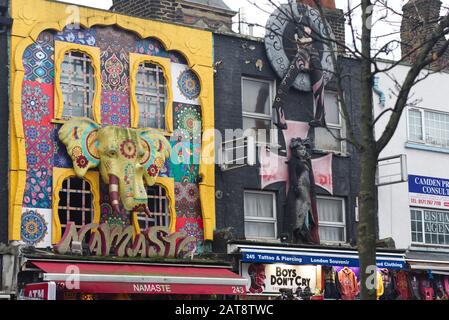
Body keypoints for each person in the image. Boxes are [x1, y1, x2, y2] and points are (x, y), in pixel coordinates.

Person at [272, 21, 326, 130]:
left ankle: (278, 105)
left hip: (307, 57)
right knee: (309, 57)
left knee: (310, 58)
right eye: (306, 35)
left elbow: (305, 41)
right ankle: (320, 114)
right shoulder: (300, 34)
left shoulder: (308, 45)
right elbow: (300, 41)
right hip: (305, 56)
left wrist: (306, 40)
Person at [285, 137, 320, 244]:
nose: (303, 151)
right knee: (303, 205)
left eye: (304, 149)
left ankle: (304, 231)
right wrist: (295, 187)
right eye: (301, 149)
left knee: (306, 207)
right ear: (295, 150)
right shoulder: (294, 161)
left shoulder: (305, 161)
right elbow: (293, 175)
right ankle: (299, 229)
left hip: (306, 188)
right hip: (300, 187)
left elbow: (310, 177)